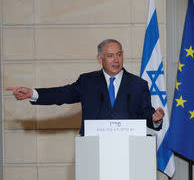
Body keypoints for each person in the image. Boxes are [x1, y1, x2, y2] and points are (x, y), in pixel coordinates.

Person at [6, 39, 164, 135]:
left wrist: (154, 119)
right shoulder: (87, 82)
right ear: (99, 59)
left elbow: (146, 113)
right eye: (110, 56)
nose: (116, 60)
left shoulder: (138, 84)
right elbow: (62, 94)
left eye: (119, 54)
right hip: (93, 148)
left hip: (130, 149)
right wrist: (33, 93)